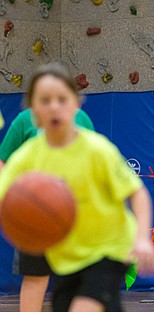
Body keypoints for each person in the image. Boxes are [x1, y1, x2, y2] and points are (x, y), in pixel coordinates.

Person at [0, 60, 154, 312]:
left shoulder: (97, 149)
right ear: (32, 110)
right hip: (66, 257)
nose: (54, 107)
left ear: (76, 104)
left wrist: (142, 239)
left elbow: (137, 192)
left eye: (62, 99)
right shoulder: (27, 156)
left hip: (109, 248)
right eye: (44, 100)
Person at [0, 104, 94, 312]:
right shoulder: (25, 120)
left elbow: (94, 162)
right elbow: (3, 162)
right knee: (35, 276)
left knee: (77, 276)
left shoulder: (81, 118)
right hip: (33, 214)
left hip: (74, 212)